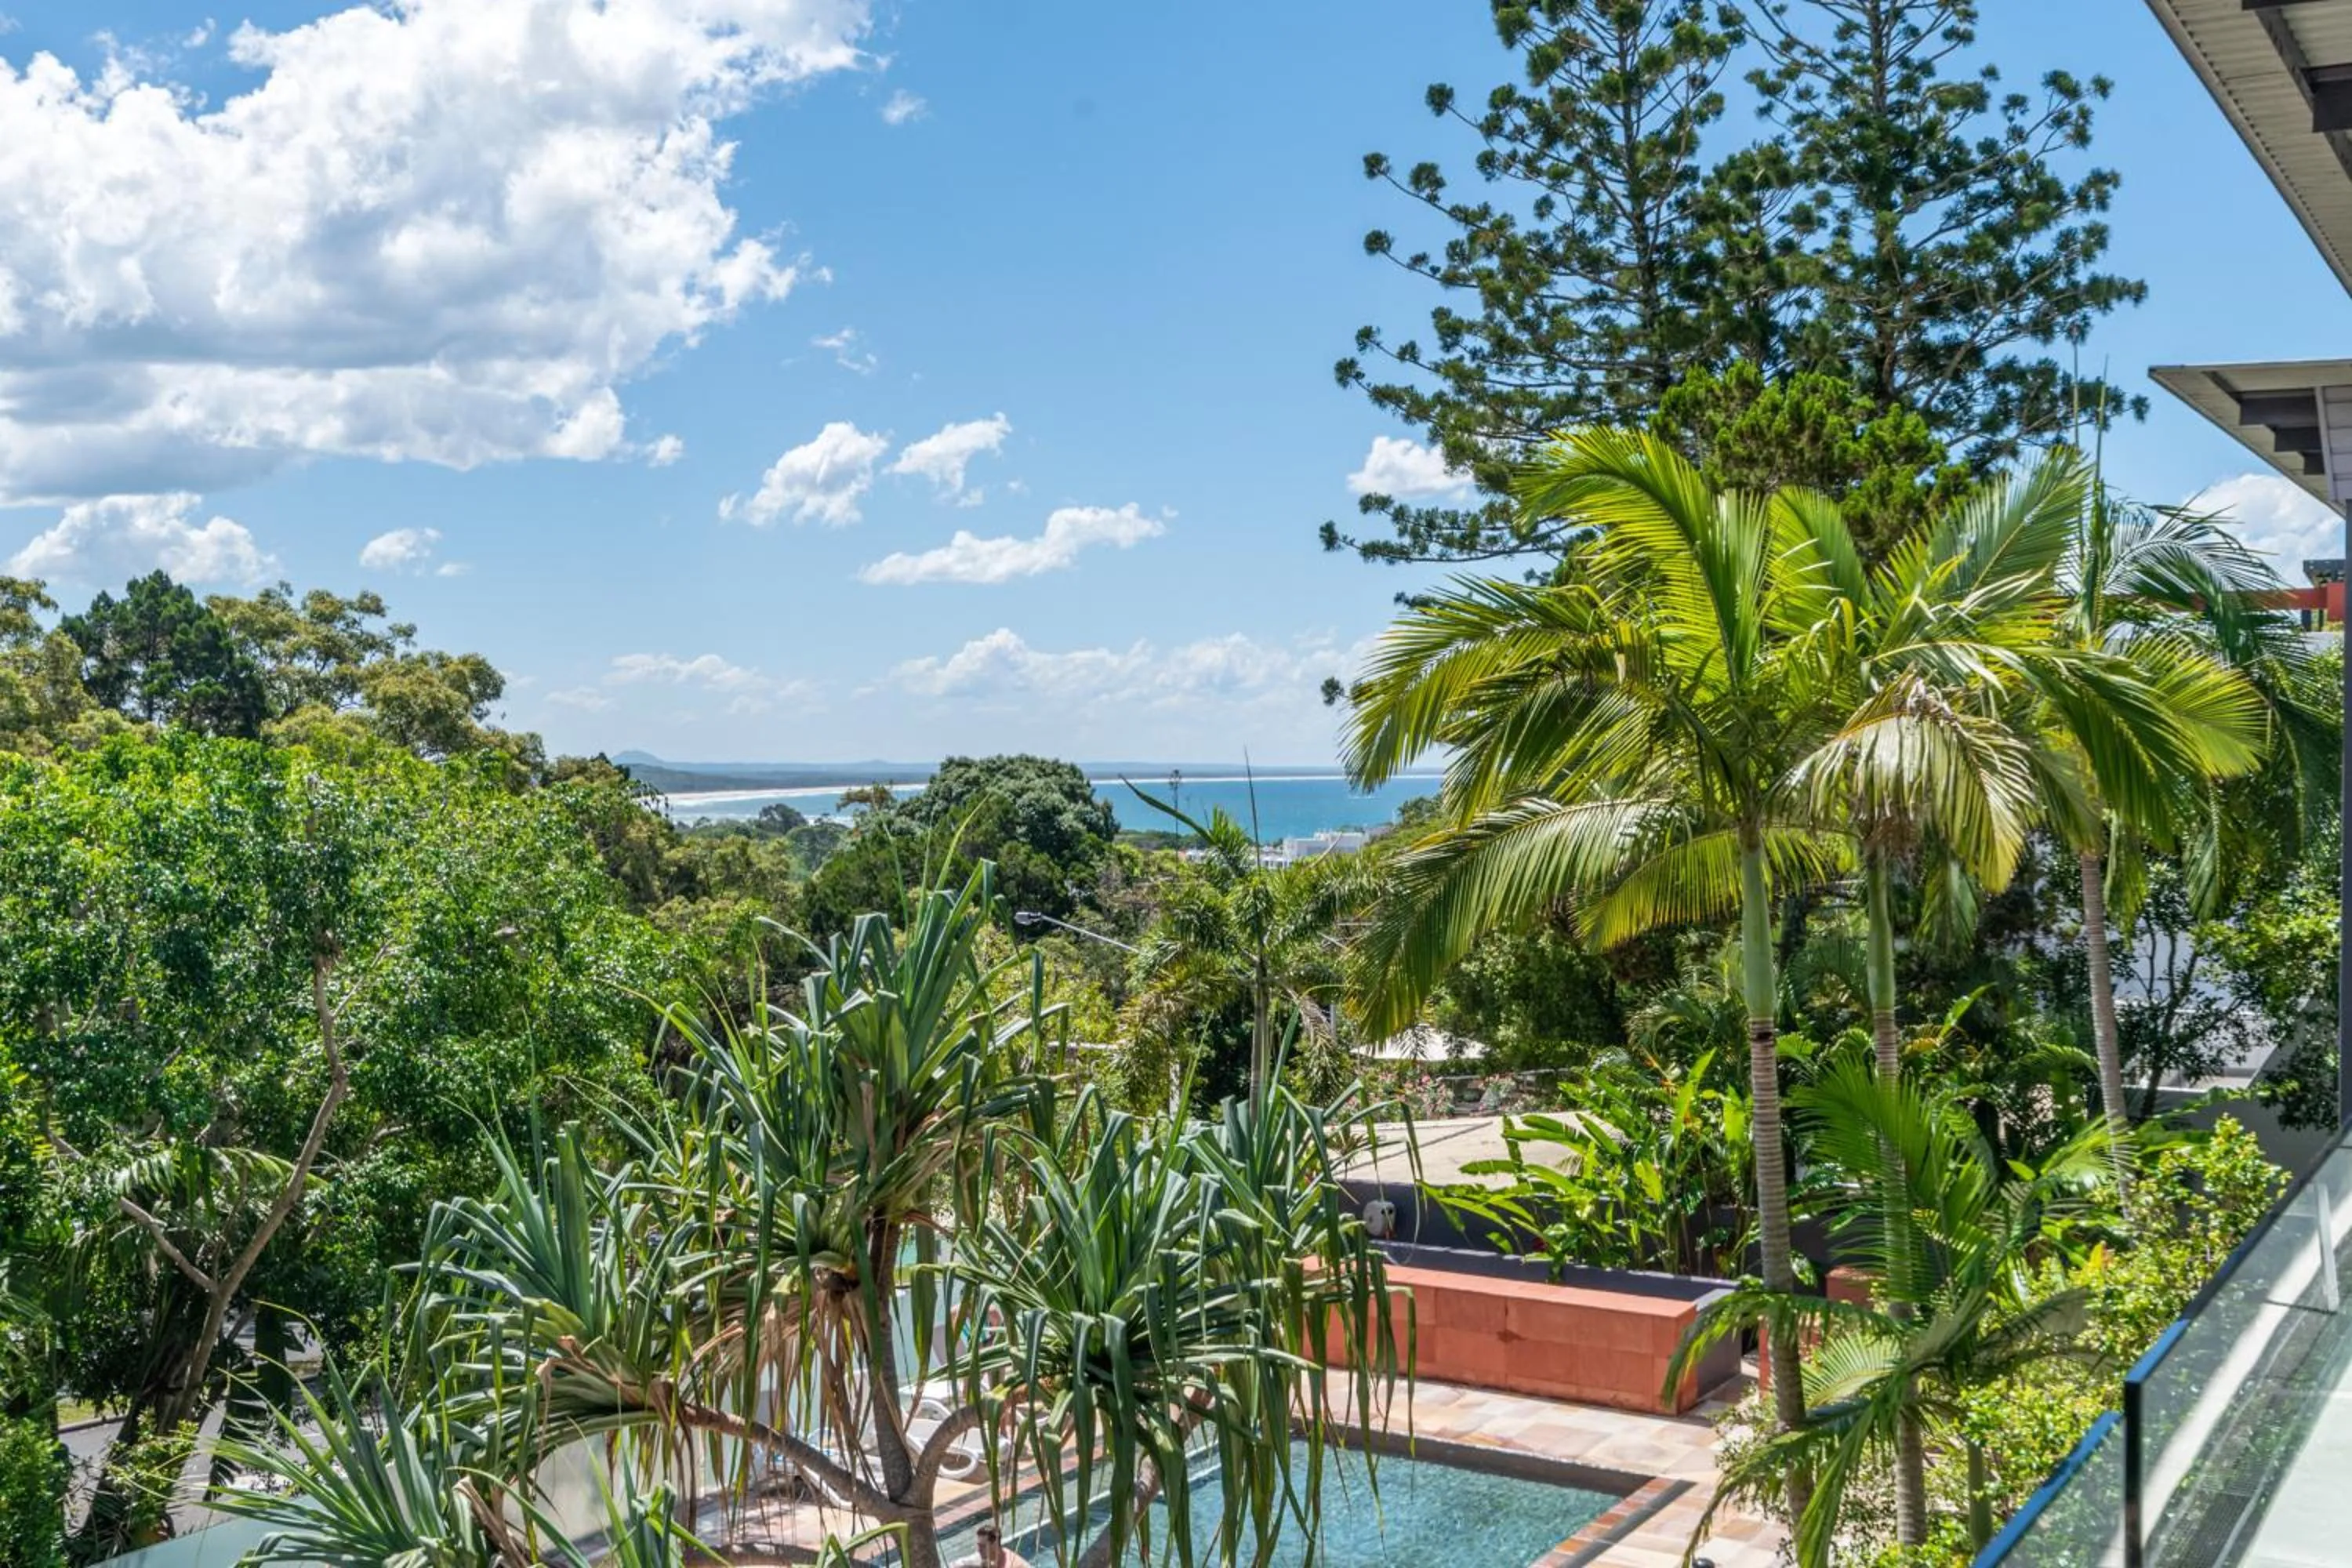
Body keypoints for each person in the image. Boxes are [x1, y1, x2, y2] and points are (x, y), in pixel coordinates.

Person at [962, 1520, 1031, 1568]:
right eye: (978, 1545)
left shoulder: (1010, 1565)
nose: (979, 1550)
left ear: (994, 1544)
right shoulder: (995, 1555)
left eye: (983, 1546)